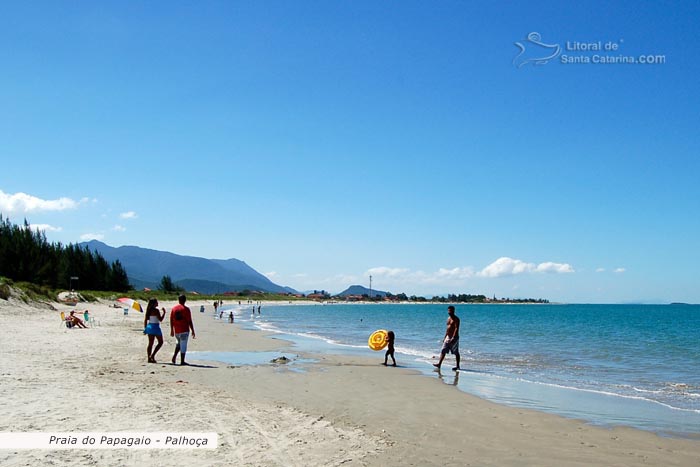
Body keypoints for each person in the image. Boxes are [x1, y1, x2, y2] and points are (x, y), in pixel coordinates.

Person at [170, 294, 196, 365]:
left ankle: (174, 356)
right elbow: (189, 321)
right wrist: (193, 330)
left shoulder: (174, 309)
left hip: (177, 330)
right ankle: (182, 361)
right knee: (183, 345)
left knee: (178, 344)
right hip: (184, 329)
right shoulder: (186, 309)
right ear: (185, 300)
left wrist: (172, 330)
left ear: (179, 300)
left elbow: (171, 319)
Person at [433, 305, 461, 371]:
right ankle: (439, 364)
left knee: (456, 352)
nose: (449, 312)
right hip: (448, 337)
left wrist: (453, 337)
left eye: (450, 310)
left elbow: (456, 329)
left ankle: (457, 366)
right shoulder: (448, 318)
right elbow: (447, 329)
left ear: (453, 311)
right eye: (448, 310)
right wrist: (445, 337)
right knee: (443, 350)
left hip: (454, 337)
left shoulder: (456, 319)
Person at [144, 298, 166, 363]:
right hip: (155, 327)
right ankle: (152, 355)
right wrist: (164, 313)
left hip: (149, 326)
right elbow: (160, 319)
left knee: (150, 343)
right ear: (154, 303)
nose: (157, 303)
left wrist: (145, 328)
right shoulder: (156, 310)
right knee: (160, 342)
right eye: (156, 302)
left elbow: (145, 320)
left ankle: (149, 357)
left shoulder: (148, 310)